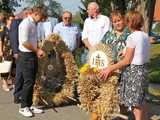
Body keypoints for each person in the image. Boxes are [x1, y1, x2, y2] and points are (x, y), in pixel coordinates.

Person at [99, 11, 150, 120]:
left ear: (129, 22)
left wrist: (110, 68)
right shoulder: (145, 35)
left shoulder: (131, 37)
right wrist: (125, 50)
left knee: (136, 105)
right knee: (142, 101)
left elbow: (127, 60)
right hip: (144, 70)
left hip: (134, 72)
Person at [18, 6, 46, 117]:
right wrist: (37, 50)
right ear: (36, 14)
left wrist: (37, 49)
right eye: (42, 17)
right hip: (26, 55)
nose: (42, 19)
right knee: (28, 82)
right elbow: (24, 42)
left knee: (32, 81)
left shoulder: (34, 23)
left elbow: (33, 40)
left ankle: (29, 106)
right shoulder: (26, 24)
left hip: (32, 54)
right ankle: (23, 107)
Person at [10, 8, 32, 104]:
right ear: (26, 13)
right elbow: (13, 37)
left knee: (24, 75)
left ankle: (22, 94)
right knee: (19, 74)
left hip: (26, 52)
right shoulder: (16, 22)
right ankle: (17, 95)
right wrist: (15, 52)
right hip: (19, 52)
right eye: (30, 14)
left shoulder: (26, 22)